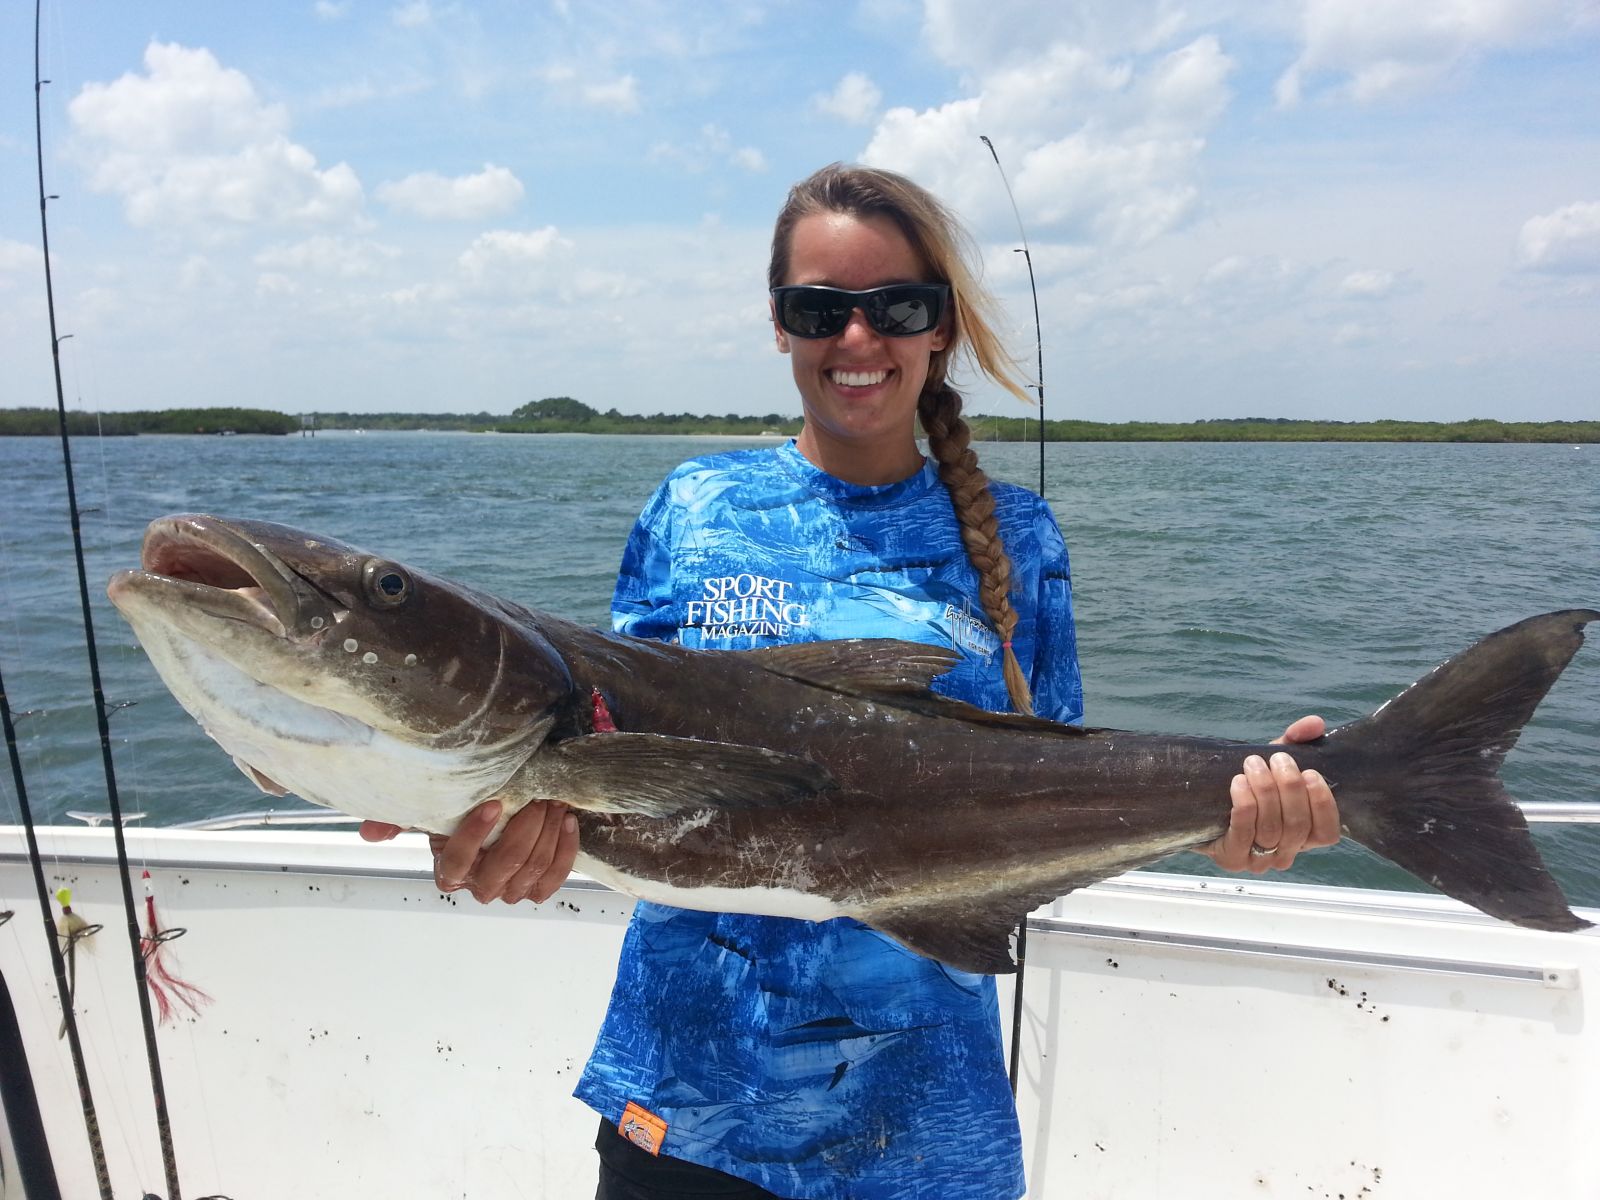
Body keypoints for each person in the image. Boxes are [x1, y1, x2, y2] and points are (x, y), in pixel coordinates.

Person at [362, 163, 1340, 1199]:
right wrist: (495, 833)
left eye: (896, 307)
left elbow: (1055, 787)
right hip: (683, 1107)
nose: (857, 340)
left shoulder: (1019, 536)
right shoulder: (691, 508)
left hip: (924, 1130)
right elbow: (597, 746)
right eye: (820, 308)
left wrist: (1227, 819)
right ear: (780, 325)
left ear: (940, 329)